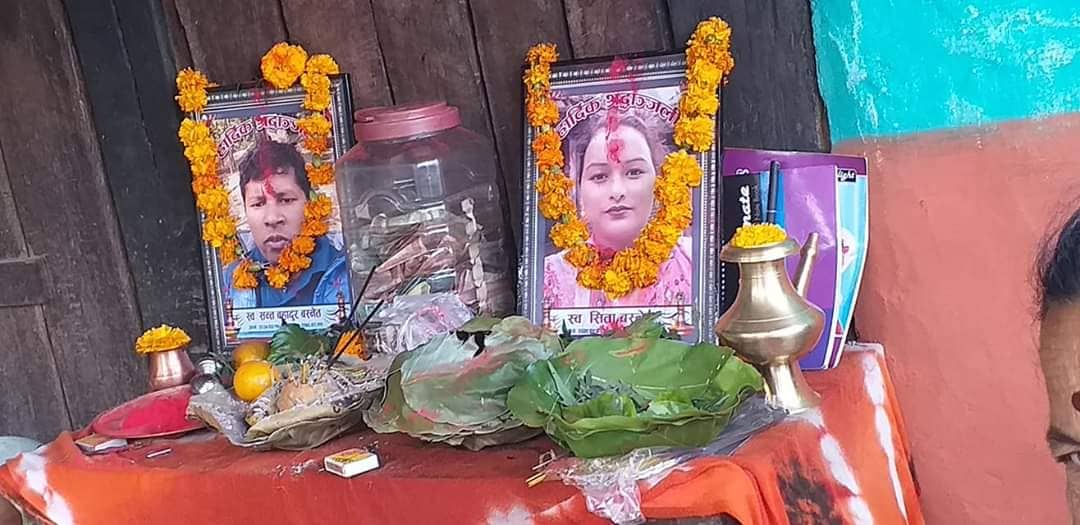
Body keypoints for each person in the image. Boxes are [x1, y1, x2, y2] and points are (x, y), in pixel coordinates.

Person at [543, 112, 693, 308]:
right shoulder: (550, 276)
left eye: (634, 172)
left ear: (660, 182)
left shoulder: (694, 261)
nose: (617, 191)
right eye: (599, 176)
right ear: (578, 188)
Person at [222, 139, 350, 308]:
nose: (272, 218)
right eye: (258, 204)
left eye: (286, 200)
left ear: (309, 203)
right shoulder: (229, 285)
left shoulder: (346, 273)